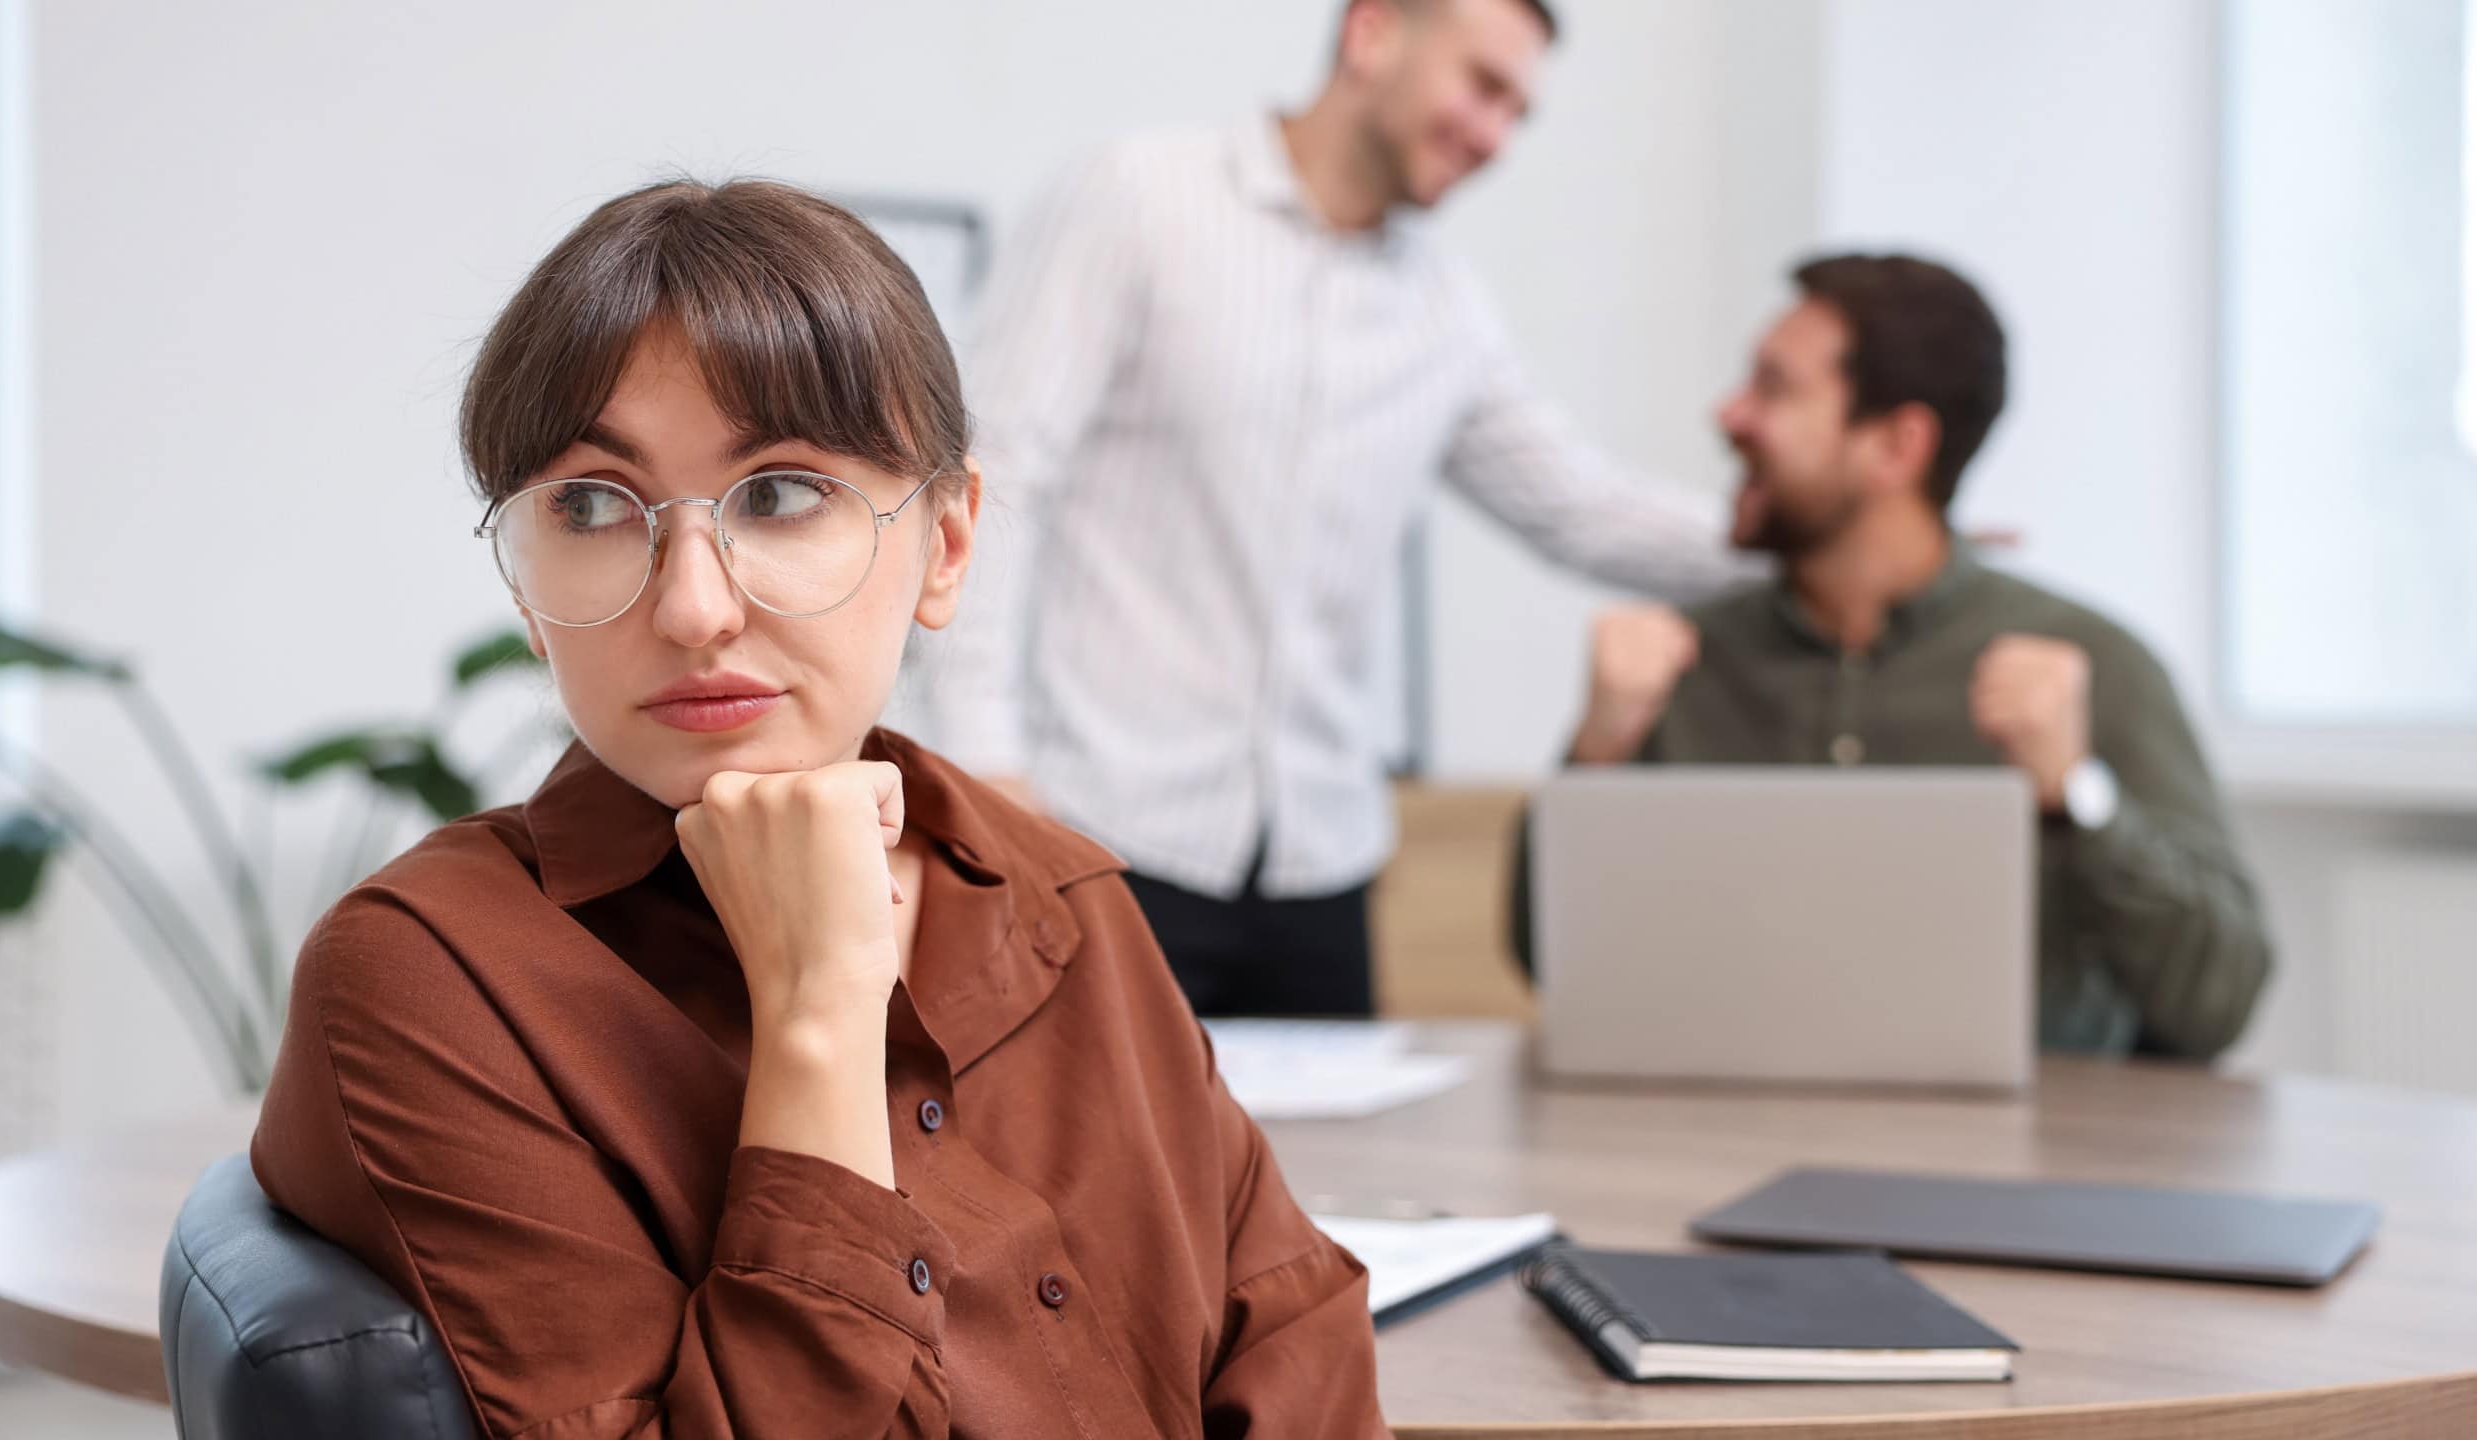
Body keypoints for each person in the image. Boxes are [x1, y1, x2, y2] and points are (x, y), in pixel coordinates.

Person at [250, 179, 1390, 1438]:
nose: (692, 607)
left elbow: (1288, 1333)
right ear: (526, 588)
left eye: (780, 493)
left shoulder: (1056, 893)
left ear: (946, 544)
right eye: (590, 505)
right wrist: (818, 1013)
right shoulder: (431, 980)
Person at [923, 0, 1746, 1019]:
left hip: (1322, 871)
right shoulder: (1138, 198)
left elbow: (1577, 507)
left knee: (1329, 1179)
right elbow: (991, 476)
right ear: (1372, 35)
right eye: (1482, 86)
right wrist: (984, 766)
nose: (1494, 136)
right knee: (1100, 1173)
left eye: (1518, 114)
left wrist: (1832, 540)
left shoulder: (1444, 308)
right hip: (1101, 835)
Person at [1517, 253, 2272, 1062]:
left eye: (1774, 389)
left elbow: (2217, 1001)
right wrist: (1593, 757)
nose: (1729, 414)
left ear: (1896, 447)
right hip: (1728, 1141)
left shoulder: (2088, 666)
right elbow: (1544, 958)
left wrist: (2074, 795)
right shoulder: (1678, 666)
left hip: (2026, 1163)